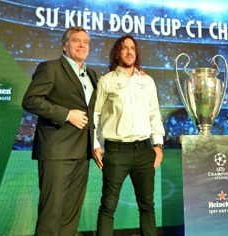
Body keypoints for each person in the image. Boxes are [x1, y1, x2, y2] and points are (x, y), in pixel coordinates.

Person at [22, 26, 97, 235]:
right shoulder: (50, 68)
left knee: (71, 215)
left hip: (83, 153)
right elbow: (30, 100)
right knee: (51, 214)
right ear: (65, 46)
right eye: (76, 40)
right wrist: (66, 114)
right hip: (57, 152)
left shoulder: (91, 74)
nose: (82, 44)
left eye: (86, 41)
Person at [93, 35, 165, 236]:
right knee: (108, 206)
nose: (129, 51)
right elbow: (95, 114)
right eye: (124, 48)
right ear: (117, 53)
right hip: (116, 151)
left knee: (147, 206)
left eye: (132, 48)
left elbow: (154, 113)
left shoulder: (147, 81)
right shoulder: (106, 81)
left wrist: (158, 144)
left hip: (144, 150)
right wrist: (95, 144)